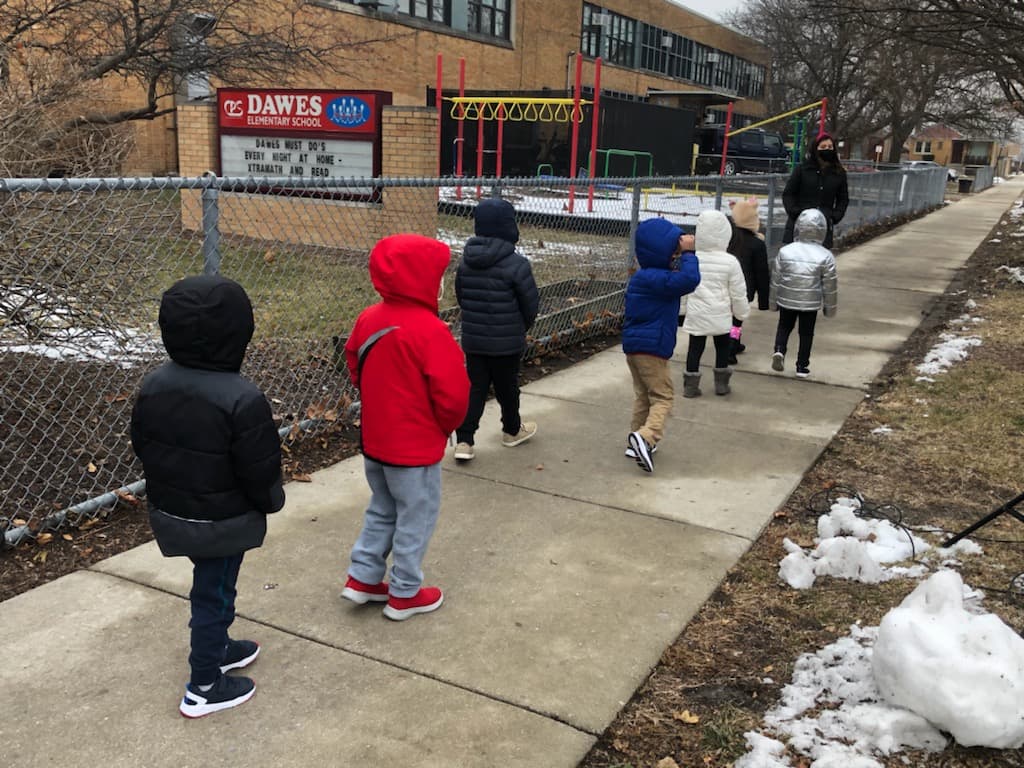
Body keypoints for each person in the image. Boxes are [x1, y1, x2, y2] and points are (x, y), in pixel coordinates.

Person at [130, 274, 286, 718]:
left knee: (216, 583)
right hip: (222, 520)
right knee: (213, 592)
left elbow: (141, 442)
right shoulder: (242, 398)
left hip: (173, 508)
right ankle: (203, 684)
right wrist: (270, 501)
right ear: (239, 333)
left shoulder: (154, 384)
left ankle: (219, 645)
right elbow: (260, 468)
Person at [341, 233, 470, 620]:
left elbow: (353, 362)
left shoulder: (369, 317)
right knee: (417, 515)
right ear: (425, 278)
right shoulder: (431, 330)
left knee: (382, 507)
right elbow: (454, 394)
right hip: (414, 449)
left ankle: (363, 577)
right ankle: (406, 591)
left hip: (376, 440)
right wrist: (445, 426)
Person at [453, 198, 540, 462]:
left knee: (475, 388)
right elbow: (530, 303)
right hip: (507, 342)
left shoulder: (466, 263)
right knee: (507, 388)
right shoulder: (517, 265)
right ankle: (511, 430)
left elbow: (461, 296)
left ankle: (465, 441)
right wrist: (520, 327)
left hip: (474, 340)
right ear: (509, 227)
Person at [622, 218, 701, 473]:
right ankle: (647, 437)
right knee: (663, 397)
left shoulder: (643, 277)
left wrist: (679, 251)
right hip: (652, 348)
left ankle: (635, 439)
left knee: (644, 395)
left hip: (635, 347)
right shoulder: (659, 279)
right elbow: (690, 279)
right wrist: (689, 253)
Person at [680, 209, 750, 397]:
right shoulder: (730, 262)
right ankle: (721, 384)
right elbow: (738, 291)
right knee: (722, 346)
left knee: (695, 348)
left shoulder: (693, 259)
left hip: (697, 313)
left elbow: (685, 286)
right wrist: (741, 312)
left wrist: (682, 310)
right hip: (721, 313)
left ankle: (690, 386)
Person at [770, 208, 838, 378]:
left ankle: (779, 350)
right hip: (810, 303)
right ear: (822, 230)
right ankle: (802, 365)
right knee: (806, 333)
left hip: (787, 299)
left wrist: (773, 302)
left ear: (798, 227)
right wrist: (830, 309)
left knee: (784, 327)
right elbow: (830, 286)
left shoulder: (785, 251)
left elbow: (776, 279)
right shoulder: (826, 256)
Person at [782, 132, 849, 249]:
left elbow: (843, 199)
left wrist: (835, 216)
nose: (827, 150)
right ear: (815, 149)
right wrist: (795, 212)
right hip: (799, 225)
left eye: (830, 147)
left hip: (823, 227)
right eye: (823, 147)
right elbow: (789, 194)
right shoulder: (802, 169)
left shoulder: (839, 173)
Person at [726, 198, 771, 364]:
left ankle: (732, 343)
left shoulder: (728, 239)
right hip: (746, 288)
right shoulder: (757, 244)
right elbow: (762, 273)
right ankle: (732, 344)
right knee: (737, 321)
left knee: (727, 316)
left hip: (726, 285)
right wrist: (764, 300)